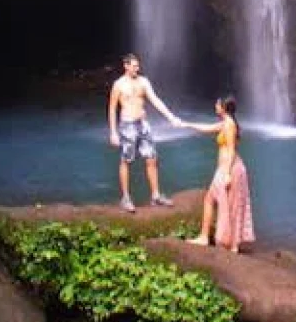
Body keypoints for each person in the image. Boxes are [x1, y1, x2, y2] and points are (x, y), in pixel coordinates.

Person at [107, 53, 180, 212]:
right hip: (127, 125)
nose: (137, 69)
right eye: (134, 66)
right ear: (125, 66)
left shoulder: (143, 82)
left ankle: (155, 195)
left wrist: (170, 117)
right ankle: (125, 198)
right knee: (126, 160)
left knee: (151, 158)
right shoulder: (118, 84)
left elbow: (155, 100)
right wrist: (113, 132)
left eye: (138, 66)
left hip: (143, 124)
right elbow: (112, 109)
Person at [183, 95, 254, 253]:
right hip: (227, 168)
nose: (215, 105)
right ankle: (230, 244)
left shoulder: (229, 125)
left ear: (223, 108)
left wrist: (227, 173)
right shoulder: (226, 123)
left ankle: (208, 238)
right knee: (228, 203)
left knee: (216, 200)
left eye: (217, 104)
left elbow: (231, 149)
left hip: (229, 169)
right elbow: (207, 128)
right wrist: (186, 124)